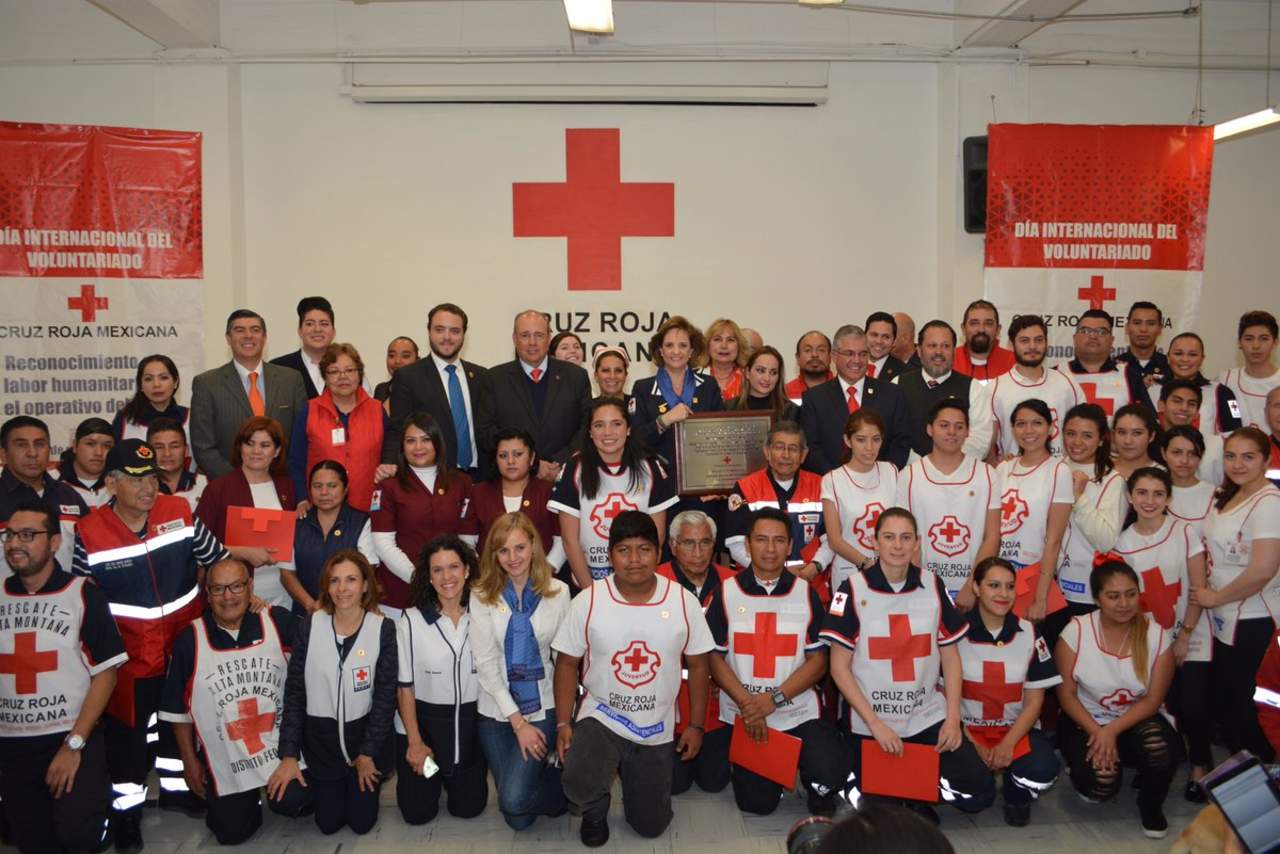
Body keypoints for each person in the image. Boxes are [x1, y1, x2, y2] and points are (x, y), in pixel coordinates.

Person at [72, 439, 229, 849]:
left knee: (179, 724)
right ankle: (126, 814)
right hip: (127, 659)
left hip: (181, 647)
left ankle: (179, 791)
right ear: (111, 483)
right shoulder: (89, 532)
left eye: (153, 478)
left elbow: (218, 560)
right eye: (136, 479)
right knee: (128, 741)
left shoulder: (179, 511)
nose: (148, 488)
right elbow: (79, 600)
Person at [821, 508, 996, 819]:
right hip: (870, 720)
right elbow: (838, 668)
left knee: (979, 790)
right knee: (882, 816)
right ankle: (895, 790)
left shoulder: (933, 585)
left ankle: (919, 790)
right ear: (874, 542)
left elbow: (950, 656)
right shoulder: (852, 589)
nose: (898, 546)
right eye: (889, 537)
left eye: (905, 538)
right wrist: (876, 725)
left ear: (917, 543)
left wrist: (953, 718)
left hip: (924, 716)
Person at [553, 511, 715, 846]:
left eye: (644, 549)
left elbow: (699, 665)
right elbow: (567, 664)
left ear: (659, 553)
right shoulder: (588, 601)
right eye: (624, 550)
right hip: (603, 715)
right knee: (578, 781)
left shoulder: (683, 601)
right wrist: (563, 723)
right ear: (610, 555)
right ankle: (594, 809)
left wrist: (696, 725)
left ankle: (635, 783)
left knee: (650, 826)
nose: (634, 559)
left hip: (654, 724)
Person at [0, 501, 127, 854]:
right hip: (12, 745)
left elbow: (106, 674)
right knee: (32, 841)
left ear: (55, 542)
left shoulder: (83, 594)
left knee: (78, 834)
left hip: (71, 736)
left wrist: (74, 745)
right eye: (10, 535)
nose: (15, 544)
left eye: (28, 535)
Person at [707, 507, 851, 816]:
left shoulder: (806, 593)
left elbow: (818, 661)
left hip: (796, 709)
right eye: (761, 540)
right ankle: (776, 766)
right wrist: (750, 705)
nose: (770, 549)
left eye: (779, 540)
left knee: (831, 772)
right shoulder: (726, 593)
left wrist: (772, 700)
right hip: (746, 713)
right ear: (747, 545)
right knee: (756, 804)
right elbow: (714, 658)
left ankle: (813, 783)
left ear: (790, 546)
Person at [159, 558, 311, 845]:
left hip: (281, 751)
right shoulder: (190, 639)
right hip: (227, 760)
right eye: (218, 589)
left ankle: (278, 791)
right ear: (207, 594)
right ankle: (248, 800)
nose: (228, 596)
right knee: (231, 833)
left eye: (236, 586)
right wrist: (190, 762)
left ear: (250, 587)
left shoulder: (277, 621)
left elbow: (319, 649)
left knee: (295, 800)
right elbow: (178, 711)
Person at [269, 550, 396, 835]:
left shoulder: (382, 628)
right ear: (326, 586)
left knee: (361, 823)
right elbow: (295, 693)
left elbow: (385, 699)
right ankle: (324, 787)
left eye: (351, 579)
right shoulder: (310, 626)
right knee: (328, 824)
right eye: (334, 580)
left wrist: (367, 753)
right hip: (322, 748)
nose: (342, 589)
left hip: (364, 747)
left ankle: (361, 780)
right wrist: (289, 754)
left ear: (365, 584)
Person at [1055, 560, 1178, 838]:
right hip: (1086, 720)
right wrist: (1098, 731)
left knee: (1159, 748)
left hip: (1135, 720)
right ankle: (1080, 765)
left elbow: (1153, 699)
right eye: (1113, 596)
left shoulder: (1156, 635)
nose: (1124, 603)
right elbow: (1066, 696)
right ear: (1097, 599)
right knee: (1102, 784)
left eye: (1131, 594)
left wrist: (1111, 731)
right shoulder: (1076, 631)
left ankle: (1151, 805)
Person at [1113, 466, 1212, 801]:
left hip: (1191, 632)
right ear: (1130, 497)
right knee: (1153, 704)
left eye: (1158, 494)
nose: (1149, 501)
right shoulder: (1123, 544)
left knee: (1192, 705)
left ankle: (1200, 766)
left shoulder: (1184, 532)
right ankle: (1156, 764)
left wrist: (1184, 635)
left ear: (1169, 498)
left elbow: (1198, 587)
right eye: (1142, 493)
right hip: (1149, 640)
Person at [470, 512, 571, 829]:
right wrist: (517, 722)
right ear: (494, 555)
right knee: (518, 818)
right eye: (503, 550)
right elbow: (485, 664)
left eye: (519, 548)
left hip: (542, 705)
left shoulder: (558, 592)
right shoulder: (481, 594)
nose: (512, 558)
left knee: (513, 800)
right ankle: (550, 778)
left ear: (533, 546)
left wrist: (566, 719)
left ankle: (573, 792)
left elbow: (565, 660)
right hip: (495, 710)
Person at [1189, 427, 1280, 762]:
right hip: (1225, 618)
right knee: (1228, 705)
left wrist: (1215, 598)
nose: (1238, 464)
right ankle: (1248, 774)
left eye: (1248, 457)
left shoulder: (1269, 503)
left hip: (1255, 620)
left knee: (1248, 708)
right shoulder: (1230, 495)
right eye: (1230, 456)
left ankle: (1266, 772)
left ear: (1266, 460)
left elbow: (1263, 570)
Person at [957, 558, 1061, 826]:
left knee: (1043, 770)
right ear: (976, 587)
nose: (1003, 594)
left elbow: (1034, 702)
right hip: (968, 732)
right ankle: (982, 785)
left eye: (1010, 586)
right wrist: (973, 743)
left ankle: (1016, 793)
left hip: (1016, 731)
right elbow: (945, 700)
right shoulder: (954, 633)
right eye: (993, 585)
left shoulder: (1030, 633)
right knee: (971, 796)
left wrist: (1007, 745)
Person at [394, 535, 488, 824]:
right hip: (426, 737)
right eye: (437, 570)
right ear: (428, 576)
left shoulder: (485, 615)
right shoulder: (411, 621)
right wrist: (415, 742)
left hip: (469, 734)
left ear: (467, 570)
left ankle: (456, 779)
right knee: (418, 813)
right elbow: (404, 689)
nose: (447, 577)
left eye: (454, 567)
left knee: (468, 808)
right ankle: (432, 778)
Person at [550, 397, 677, 587]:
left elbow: (657, 537)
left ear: (628, 429)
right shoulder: (573, 468)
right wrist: (591, 592)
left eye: (616, 424)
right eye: (599, 425)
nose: (608, 432)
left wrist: (639, 582)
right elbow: (570, 540)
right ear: (589, 431)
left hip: (640, 580)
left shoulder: (650, 466)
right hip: (587, 582)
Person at [657, 510, 735, 796]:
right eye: (689, 543)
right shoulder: (655, 582)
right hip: (670, 702)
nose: (698, 553)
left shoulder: (734, 584)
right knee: (675, 785)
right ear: (673, 545)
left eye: (705, 543)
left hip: (717, 701)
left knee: (714, 783)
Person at [896, 399, 1001, 606]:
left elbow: (993, 535)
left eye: (959, 426)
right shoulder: (909, 475)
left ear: (968, 431)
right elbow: (905, 536)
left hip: (972, 589)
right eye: (944, 425)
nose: (952, 432)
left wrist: (973, 585)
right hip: (923, 589)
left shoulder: (987, 474)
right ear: (929, 429)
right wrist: (917, 585)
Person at [371, 412, 472, 620]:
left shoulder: (460, 482)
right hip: (401, 594)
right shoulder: (388, 486)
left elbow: (467, 539)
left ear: (437, 442)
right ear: (402, 447)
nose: (418, 447)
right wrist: (419, 578)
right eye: (410, 441)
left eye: (426, 439)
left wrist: (451, 576)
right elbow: (382, 544)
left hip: (452, 590)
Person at [190, 309, 308, 479]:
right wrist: (238, 482)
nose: (248, 336)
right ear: (228, 338)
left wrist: (283, 479)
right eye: (239, 330)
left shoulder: (291, 379)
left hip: (282, 483)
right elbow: (203, 447)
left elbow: (301, 440)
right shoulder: (207, 384)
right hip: (229, 485)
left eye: (255, 330)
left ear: (264, 337)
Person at [382, 303, 496, 479]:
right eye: (439, 330)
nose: (447, 337)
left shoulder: (481, 376)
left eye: (455, 331)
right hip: (433, 478)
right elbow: (398, 429)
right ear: (429, 331)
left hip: (480, 479)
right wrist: (389, 463)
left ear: (464, 334)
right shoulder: (408, 377)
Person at [195, 416, 297, 608]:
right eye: (250, 444)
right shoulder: (218, 489)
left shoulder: (287, 487)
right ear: (240, 447)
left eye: (265, 445)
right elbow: (197, 544)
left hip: (284, 593)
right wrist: (243, 552)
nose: (256, 451)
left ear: (276, 451)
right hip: (236, 598)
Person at [725, 420, 832, 586]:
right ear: (767, 451)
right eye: (779, 447)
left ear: (804, 454)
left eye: (793, 449)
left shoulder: (822, 486)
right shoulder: (745, 488)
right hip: (758, 584)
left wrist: (816, 566)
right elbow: (735, 545)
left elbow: (832, 540)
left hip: (810, 582)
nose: (786, 455)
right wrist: (777, 573)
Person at [994, 400, 1073, 623]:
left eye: (1037, 423)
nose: (1028, 430)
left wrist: (1040, 598)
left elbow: (1054, 540)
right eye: (1021, 424)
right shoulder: (1003, 468)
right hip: (999, 576)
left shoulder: (1059, 471)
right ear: (1012, 429)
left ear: (1050, 428)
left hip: (1033, 577)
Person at [490, 309, 592, 482]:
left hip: (566, 476)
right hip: (514, 481)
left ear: (549, 338)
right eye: (525, 335)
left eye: (539, 335)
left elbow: (587, 425)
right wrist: (534, 463)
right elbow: (487, 430)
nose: (532, 342)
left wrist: (559, 462)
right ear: (514, 339)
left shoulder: (576, 376)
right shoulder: (494, 378)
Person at [288, 342, 388, 513]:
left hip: (370, 508)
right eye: (334, 371)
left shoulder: (377, 410)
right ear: (325, 377)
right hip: (320, 510)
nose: (343, 377)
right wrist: (302, 497)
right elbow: (296, 461)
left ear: (359, 374)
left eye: (349, 370)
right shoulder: (309, 411)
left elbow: (389, 458)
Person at [1052, 404, 1127, 629]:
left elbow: (1106, 540)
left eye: (1087, 436)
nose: (1077, 442)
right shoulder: (1052, 469)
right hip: (1048, 585)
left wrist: (1079, 497)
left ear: (1102, 439)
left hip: (1087, 588)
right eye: (1071, 433)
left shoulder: (1113, 480)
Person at [799, 324, 913, 471]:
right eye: (849, 353)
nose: (857, 360)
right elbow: (811, 447)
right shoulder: (814, 398)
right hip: (832, 480)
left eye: (863, 354)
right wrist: (838, 478)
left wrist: (883, 474)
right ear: (834, 356)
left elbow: (901, 442)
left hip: (881, 480)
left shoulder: (892, 394)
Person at [631, 315, 725, 487]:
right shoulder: (642, 388)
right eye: (669, 345)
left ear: (691, 351)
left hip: (703, 481)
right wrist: (664, 420)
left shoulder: (709, 386)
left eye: (683, 345)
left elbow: (721, 435)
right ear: (660, 350)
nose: (676, 352)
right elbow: (635, 440)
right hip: (659, 482)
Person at [282, 460, 377, 617]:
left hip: (349, 613)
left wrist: (336, 605)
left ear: (345, 489)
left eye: (332, 486)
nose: (324, 492)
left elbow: (368, 571)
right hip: (305, 614)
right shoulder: (296, 523)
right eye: (317, 486)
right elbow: (286, 574)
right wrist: (311, 605)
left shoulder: (361, 522)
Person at [821, 410, 900, 594]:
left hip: (891, 571)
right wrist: (868, 564)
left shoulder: (891, 471)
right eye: (861, 440)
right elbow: (834, 540)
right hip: (849, 571)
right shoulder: (832, 480)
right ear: (848, 441)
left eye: (876, 439)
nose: (869, 448)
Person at [463, 428, 565, 569]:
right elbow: (466, 542)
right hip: (490, 578)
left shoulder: (549, 492)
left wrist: (544, 573)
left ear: (532, 458)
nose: (510, 461)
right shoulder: (478, 493)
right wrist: (484, 573)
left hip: (541, 576)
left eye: (518, 454)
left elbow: (563, 539)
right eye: (503, 456)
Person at [0, 416, 88, 577]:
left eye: (40, 444)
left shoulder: (69, 496)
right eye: (21, 445)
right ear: (3, 454)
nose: (32, 453)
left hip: (67, 592)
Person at [894, 320, 993, 459]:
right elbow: (893, 434)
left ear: (954, 351)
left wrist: (949, 464)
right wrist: (921, 466)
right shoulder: (898, 384)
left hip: (961, 470)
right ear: (919, 351)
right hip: (909, 469)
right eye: (932, 345)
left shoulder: (973, 388)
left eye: (945, 346)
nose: (939, 352)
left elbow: (980, 438)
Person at [988, 316, 1083, 457]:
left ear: (1046, 343)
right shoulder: (995, 388)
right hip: (1014, 469)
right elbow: (987, 444)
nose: (1032, 346)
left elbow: (1083, 427)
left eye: (1038, 340)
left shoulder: (1066, 382)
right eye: (1024, 341)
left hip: (1059, 468)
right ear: (1011, 345)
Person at [1057, 310, 1146, 416]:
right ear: (1075, 338)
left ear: (1112, 340)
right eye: (1085, 331)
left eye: (1102, 332)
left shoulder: (1130, 376)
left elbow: (1147, 421)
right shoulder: (1056, 374)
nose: (1093, 336)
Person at [1205, 310, 1280, 433]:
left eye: (1264, 339)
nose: (1256, 345)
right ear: (1239, 342)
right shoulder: (1225, 380)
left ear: (1275, 342)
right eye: (1249, 339)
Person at [1160, 332, 1243, 431]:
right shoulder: (1153, 389)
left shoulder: (1221, 392)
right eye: (1178, 353)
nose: (1185, 359)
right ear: (1168, 357)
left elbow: (1235, 432)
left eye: (1192, 354)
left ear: (1202, 359)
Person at [269, 295, 337, 400]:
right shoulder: (277, 368)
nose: (317, 329)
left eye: (324, 324)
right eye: (309, 324)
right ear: (300, 331)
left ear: (333, 332)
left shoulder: (348, 369)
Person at [111, 354, 190, 443]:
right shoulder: (125, 419)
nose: (156, 384)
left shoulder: (191, 418)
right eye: (148, 379)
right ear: (140, 385)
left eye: (163, 378)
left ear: (175, 382)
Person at [1160, 379, 1224, 485]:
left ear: (1197, 413)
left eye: (1191, 404)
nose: (1184, 408)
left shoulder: (1215, 446)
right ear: (1161, 406)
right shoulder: (1147, 443)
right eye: (1177, 401)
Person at [1163, 425, 1217, 538]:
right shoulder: (1152, 492)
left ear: (1202, 455)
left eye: (1192, 454)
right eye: (1176, 453)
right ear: (1164, 453)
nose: (1184, 460)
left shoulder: (1217, 495)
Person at [726, 344, 799, 423]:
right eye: (761, 370)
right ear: (747, 372)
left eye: (773, 372)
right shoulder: (729, 408)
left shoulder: (791, 411)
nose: (767, 378)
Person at [147, 417, 206, 510]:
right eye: (159, 447)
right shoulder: (142, 489)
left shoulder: (205, 485)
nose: (167, 453)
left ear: (186, 450)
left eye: (174, 446)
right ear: (148, 452)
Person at [56, 417, 113, 508]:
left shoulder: (121, 483)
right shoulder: (49, 480)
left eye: (107, 446)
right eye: (90, 444)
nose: (99, 452)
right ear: (75, 446)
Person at [954, 299, 1015, 383]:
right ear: (963, 329)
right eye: (974, 323)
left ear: (998, 329)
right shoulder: (949, 361)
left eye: (988, 323)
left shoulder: (1013, 363)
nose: (981, 329)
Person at [1114, 301, 1171, 388]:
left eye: (1151, 323)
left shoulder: (1170, 367)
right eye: (1137, 323)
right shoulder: (1114, 367)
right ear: (1127, 328)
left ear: (1160, 329)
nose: (1143, 329)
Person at [1111, 403, 1163, 480]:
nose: (1128, 441)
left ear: (1151, 436)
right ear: (1113, 435)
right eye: (1122, 432)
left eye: (1137, 433)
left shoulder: (1163, 475)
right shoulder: (1098, 470)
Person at [702, 317, 748, 401]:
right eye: (717, 339)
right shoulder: (692, 378)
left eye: (730, 340)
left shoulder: (748, 378)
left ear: (739, 346)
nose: (724, 346)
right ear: (707, 345)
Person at [785, 330, 833, 405]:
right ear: (798, 358)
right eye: (808, 350)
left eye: (821, 350)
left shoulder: (843, 391)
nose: (814, 354)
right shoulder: (784, 393)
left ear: (830, 357)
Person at [864, 311, 909, 383]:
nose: (879, 341)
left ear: (894, 341)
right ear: (864, 336)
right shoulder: (849, 365)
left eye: (886, 337)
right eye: (874, 335)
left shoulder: (905, 373)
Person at [373, 335, 419, 403]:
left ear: (417, 361)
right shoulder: (381, 389)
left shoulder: (425, 389)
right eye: (391, 356)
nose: (397, 361)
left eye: (405, 356)